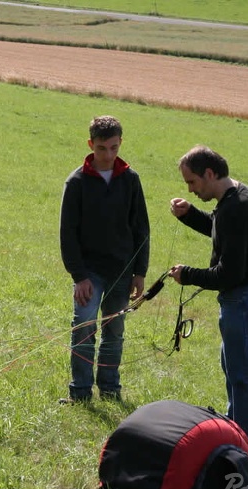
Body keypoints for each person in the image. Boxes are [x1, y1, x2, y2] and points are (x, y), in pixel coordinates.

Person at [168, 145, 248, 452]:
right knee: (235, 366)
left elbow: (229, 274)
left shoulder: (235, 208)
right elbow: (220, 231)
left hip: (245, 299)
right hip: (247, 296)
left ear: (210, 174)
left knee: (245, 373)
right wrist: (190, 215)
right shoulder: (235, 196)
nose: (190, 188)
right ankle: (238, 426)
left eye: (192, 182)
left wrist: (187, 275)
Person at [59, 115, 150, 404]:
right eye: (101, 148)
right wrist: (79, 276)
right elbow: (67, 234)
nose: (108, 155)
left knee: (115, 332)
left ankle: (110, 389)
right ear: (90, 145)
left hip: (122, 272)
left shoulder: (131, 180)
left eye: (114, 147)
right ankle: (80, 392)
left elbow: (141, 229)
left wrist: (139, 272)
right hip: (89, 273)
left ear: (120, 143)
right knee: (84, 330)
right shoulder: (76, 182)